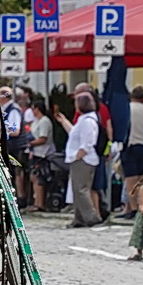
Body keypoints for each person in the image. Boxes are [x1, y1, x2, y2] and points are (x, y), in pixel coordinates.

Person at [60, 93, 102, 228]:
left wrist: (79, 155)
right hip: (78, 158)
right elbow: (74, 133)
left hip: (83, 159)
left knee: (82, 189)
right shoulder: (83, 119)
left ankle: (91, 217)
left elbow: (88, 142)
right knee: (77, 190)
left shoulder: (88, 121)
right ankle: (79, 218)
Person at [122, 86, 143, 219]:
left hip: (130, 144)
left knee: (130, 177)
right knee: (141, 176)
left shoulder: (127, 108)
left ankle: (133, 207)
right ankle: (140, 201)